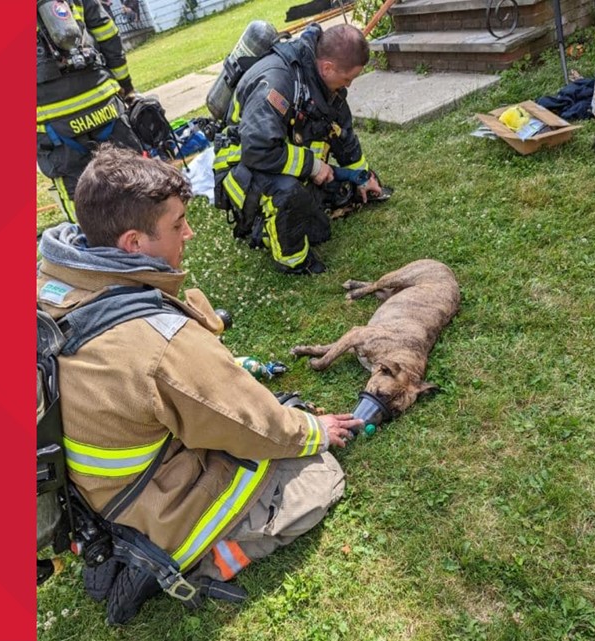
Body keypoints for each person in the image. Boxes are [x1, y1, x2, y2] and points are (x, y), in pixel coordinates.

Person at [37, 145, 364, 622]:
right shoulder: (159, 345)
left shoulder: (52, 276)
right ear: (132, 243)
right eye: (177, 224)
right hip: (148, 501)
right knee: (316, 478)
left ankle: (123, 543)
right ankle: (186, 561)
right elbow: (247, 422)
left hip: (84, 492)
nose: (188, 232)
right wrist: (313, 431)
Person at [213, 24, 382, 275]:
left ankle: (299, 204)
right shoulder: (277, 82)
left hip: (276, 156)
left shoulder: (319, 82)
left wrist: (364, 177)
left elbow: (341, 134)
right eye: (348, 78)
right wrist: (313, 166)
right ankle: (292, 260)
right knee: (288, 194)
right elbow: (258, 150)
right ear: (327, 68)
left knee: (320, 229)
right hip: (241, 169)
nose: (350, 85)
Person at [37, 0, 141, 223]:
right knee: (134, 177)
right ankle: (147, 240)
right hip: (103, 102)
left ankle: (91, 251)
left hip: (54, 121)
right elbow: (107, 32)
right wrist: (126, 85)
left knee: (78, 195)